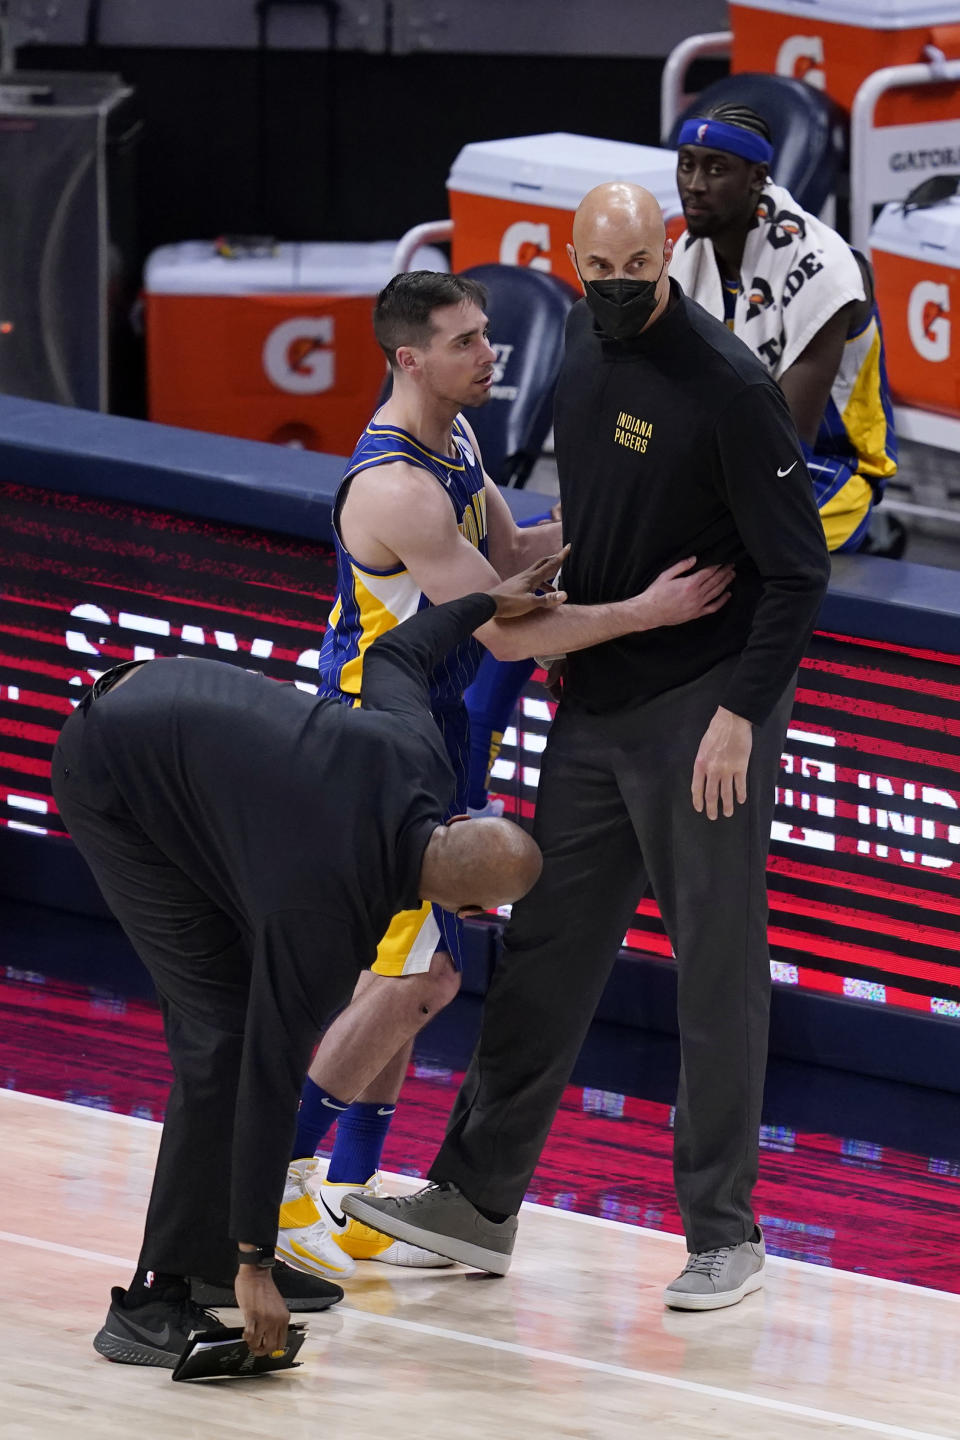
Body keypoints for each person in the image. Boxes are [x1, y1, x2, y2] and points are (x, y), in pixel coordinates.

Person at [342, 182, 831, 1313]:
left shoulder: (730, 387)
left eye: (635, 269)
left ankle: (726, 1232)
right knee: (547, 952)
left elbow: (798, 574)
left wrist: (742, 716)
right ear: (574, 259)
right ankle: (475, 1200)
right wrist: (581, 616)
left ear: (668, 255)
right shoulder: (577, 339)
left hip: (704, 711)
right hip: (598, 706)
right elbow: (602, 519)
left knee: (715, 970)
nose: (614, 289)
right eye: (596, 270)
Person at [279, 269, 736, 1278]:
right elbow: (509, 629)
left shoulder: (460, 444)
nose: (492, 354)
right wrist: (640, 613)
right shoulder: (394, 486)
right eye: (468, 341)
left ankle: (346, 1192)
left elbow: (523, 549)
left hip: (436, 746)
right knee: (420, 979)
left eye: (488, 335)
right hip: (381, 750)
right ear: (411, 360)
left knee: (407, 973)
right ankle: (276, 1177)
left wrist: (634, 493)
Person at [51, 564, 563, 1368]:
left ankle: (210, 1253)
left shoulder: (418, 755)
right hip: (113, 771)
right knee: (221, 1035)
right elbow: (266, 1074)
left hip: (166, 697)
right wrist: (260, 1262)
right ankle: (155, 1301)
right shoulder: (323, 919)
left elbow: (397, 655)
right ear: (471, 913)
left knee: (233, 1011)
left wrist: (487, 605)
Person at [669, 102, 899, 556]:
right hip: (722, 457)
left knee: (701, 546)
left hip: (825, 468)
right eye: (686, 166)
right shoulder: (687, 255)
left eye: (716, 169)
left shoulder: (824, 268)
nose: (694, 186)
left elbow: (788, 444)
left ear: (758, 177)